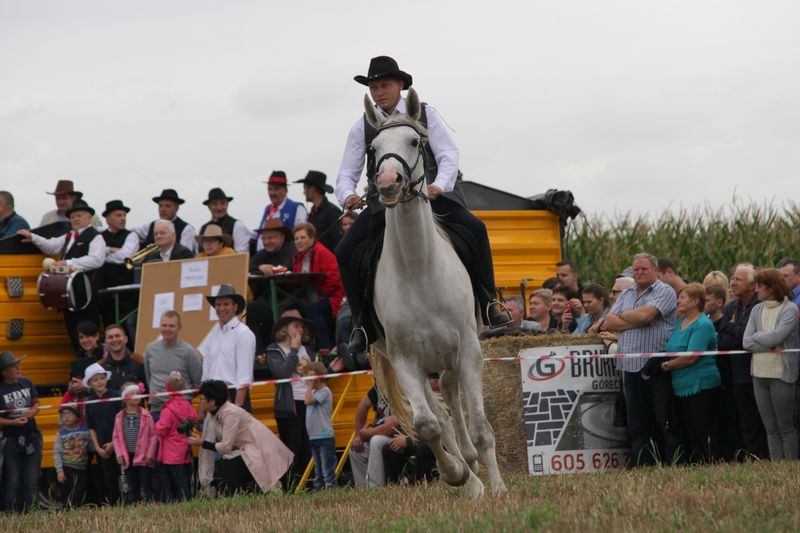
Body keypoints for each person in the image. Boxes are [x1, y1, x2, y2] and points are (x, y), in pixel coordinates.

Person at [335, 56, 511, 358]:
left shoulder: (426, 114)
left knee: (476, 229)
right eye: (374, 87)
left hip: (433, 199)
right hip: (384, 205)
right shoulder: (362, 126)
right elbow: (346, 173)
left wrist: (438, 186)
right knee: (345, 250)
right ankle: (363, 326)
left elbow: (448, 155)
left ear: (400, 85)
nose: (379, 92)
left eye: (385, 85)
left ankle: (488, 302)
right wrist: (348, 195)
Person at [602, 252, 680, 466]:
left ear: (655, 270)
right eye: (636, 269)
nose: (639, 273)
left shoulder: (665, 291)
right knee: (636, 422)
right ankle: (643, 463)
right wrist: (637, 319)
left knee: (661, 418)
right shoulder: (626, 293)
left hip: (655, 366)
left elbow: (647, 316)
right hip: (629, 367)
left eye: (644, 269)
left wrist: (627, 317)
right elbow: (608, 322)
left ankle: (667, 462)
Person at [19, 199, 106, 352]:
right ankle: (81, 365)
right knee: (74, 331)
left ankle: (95, 365)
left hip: (87, 292)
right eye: (72, 217)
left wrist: (68, 263)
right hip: (71, 294)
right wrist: (33, 237)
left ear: (89, 218)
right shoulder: (69, 236)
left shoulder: (95, 236)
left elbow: (96, 260)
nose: (75, 219)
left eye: (79, 216)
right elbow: (51, 246)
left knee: (89, 330)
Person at [189, 380, 293, 496]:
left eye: (202, 399)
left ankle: (235, 497)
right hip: (247, 450)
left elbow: (226, 447)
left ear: (212, 402)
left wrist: (202, 443)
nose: (200, 402)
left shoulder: (230, 414)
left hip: (259, 451)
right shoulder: (215, 413)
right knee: (225, 466)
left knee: (225, 467)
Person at [659, 284, 722, 463]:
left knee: (703, 430)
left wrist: (666, 366)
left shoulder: (702, 324)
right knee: (689, 430)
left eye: (683, 297)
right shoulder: (679, 322)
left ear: (695, 301)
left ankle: (710, 462)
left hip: (700, 384)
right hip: (680, 384)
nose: (678, 301)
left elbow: (690, 357)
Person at [743, 268, 800, 460]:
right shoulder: (756, 310)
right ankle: (776, 465)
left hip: (782, 373)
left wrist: (759, 338)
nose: (756, 290)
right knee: (770, 427)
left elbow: (778, 336)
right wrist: (767, 343)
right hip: (759, 373)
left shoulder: (790, 309)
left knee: (785, 425)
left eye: (760, 286)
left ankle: (790, 464)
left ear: (771, 287)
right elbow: (746, 342)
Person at [717, 265, 768, 460]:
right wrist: (739, 332)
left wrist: (734, 328)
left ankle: (765, 456)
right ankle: (752, 456)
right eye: (732, 278)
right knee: (745, 420)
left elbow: (752, 337)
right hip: (737, 374)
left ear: (752, 284)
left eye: (738, 279)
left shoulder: (759, 306)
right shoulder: (730, 307)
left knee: (761, 417)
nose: (732, 283)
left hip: (758, 370)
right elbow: (723, 340)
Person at [266, 315, 316, 489]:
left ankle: (308, 486)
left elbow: (316, 376)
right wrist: (294, 351)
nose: (300, 330)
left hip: (309, 402)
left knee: (308, 448)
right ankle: (291, 487)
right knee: (292, 449)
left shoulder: (308, 351)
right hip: (289, 406)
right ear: (285, 329)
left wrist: (331, 369)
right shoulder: (274, 350)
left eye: (302, 327)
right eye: (296, 326)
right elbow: (282, 373)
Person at [199, 285, 256, 410]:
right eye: (218, 305)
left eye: (226, 304)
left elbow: (244, 375)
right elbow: (206, 372)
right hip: (212, 397)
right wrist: (202, 407)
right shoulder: (213, 333)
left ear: (235, 307)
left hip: (234, 395)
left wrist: (238, 407)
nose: (221, 308)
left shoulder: (244, 333)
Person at [0, 351, 42, 513]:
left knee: (32, 480)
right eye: (13, 366)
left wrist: (33, 412)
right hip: (11, 440)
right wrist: (13, 422)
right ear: (4, 371)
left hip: (32, 436)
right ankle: (12, 515)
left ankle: (34, 514)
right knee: (13, 480)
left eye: (18, 364)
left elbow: (36, 402)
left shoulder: (26, 382)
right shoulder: (1, 389)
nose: (18, 368)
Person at [292, 223, 345, 349]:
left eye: (303, 237)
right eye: (296, 238)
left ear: (312, 239)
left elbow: (335, 277)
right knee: (288, 307)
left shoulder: (322, 252)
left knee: (313, 310)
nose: (299, 241)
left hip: (333, 296)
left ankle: (324, 349)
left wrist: (322, 294)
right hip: (309, 295)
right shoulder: (296, 257)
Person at [143, 311, 203, 419]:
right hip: (156, 409)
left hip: (180, 411)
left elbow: (197, 381)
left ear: (179, 328)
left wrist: (183, 398)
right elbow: (149, 377)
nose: (167, 329)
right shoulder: (150, 349)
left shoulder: (188, 351)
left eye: (172, 326)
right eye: (164, 325)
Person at [154, 372, 197, 502]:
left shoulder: (168, 410)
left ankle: (179, 503)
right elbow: (193, 419)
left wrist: (156, 425)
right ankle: (187, 501)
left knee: (175, 481)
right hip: (185, 449)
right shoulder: (188, 406)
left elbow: (161, 429)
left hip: (171, 452)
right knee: (186, 478)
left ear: (167, 389)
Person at [112, 382, 157, 503]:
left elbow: (153, 436)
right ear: (125, 398)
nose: (136, 396)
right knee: (132, 485)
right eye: (132, 393)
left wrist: (149, 455)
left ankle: (149, 504)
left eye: (138, 393)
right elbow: (115, 437)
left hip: (144, 458)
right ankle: (134, 507)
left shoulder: (146, 415)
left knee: (147, 484)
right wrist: (119, 454)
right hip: (127, 457)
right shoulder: (119, 417)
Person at [84, 362, 122, 505]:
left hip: (118, 444)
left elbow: (121, 421)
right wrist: (97, 447)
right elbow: (91, 427)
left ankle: (127, 503)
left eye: (101, 378)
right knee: (109, 479)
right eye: (95, 380)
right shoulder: (90, 402)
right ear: (90, 384)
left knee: (122, 476)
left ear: (106, 379)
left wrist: (113, 443)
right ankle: (114, 504)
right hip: (102, 446)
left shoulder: (115, 397)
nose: (99, 382)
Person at [98, 200, 139, 333]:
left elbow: (124, 257)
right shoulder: (99, 236)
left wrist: (105, 253)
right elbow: (95, 255)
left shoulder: (131, 235)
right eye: (118, 215)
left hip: (126, 293)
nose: (123, 219)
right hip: (105, 291)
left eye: (124, 215)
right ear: (108, 219)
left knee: (128, 326)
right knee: (109, 325)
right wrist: (112, 249)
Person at [348, 386, 398, 487]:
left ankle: (374, 488)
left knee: (376, 441)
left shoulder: (400, 387)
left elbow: (391, 427)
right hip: (381, 433)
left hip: (400, 436)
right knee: (356, 450)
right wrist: (358, 436)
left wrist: (366, 434)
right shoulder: (379, 386)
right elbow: (362, 405)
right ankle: (362, 490)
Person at [303, 361, 337, 490]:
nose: (306, 382)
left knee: (326, 469)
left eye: (308, 379)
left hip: (324, 437)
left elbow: (307, 401)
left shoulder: (325, 391)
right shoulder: (315, 392)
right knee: (318, 469)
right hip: (314, 437)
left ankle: (331, 490)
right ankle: (319, 492)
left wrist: (310, 384)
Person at [134, 188, 198, 254]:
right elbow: (132, 233)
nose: (163, 209)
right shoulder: (151, 225)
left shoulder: (187, 229)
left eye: (167, 206)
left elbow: (184, 255)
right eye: (160, 206)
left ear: (177, 208)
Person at [295, 170, 342, 253]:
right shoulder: (312, 214)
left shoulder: (332, 211)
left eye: (305, 187)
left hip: (329, 262)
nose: (304, 192)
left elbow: (338, 241)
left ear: (313, 188)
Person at [53, 404, 90, 508]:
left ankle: (79, 511)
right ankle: (68, 512)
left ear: (77, 416)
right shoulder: (61, 433)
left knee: (80, 492)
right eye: (63, 415)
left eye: (69, 414)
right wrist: (59, 471)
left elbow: (91, 445)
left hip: (82, 467)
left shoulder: (85, 430)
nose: (66, 417)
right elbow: (57, 452)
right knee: (67, 493)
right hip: (67, 467)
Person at [199, 188, 251, 253]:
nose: (219, 208)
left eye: (222, 203)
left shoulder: (237, 225)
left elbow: (242, 254)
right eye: (215, 204)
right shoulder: (203, 229)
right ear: (209, 207)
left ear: (227, 204)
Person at [101, 324, 146, 392]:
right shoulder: (100, 367)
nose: (114, 339)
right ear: (106, 342)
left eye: (117, 336)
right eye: (110, 337)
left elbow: (149, 392)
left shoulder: (140, 361)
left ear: (126, 339)